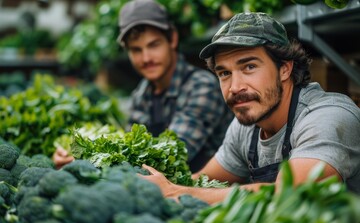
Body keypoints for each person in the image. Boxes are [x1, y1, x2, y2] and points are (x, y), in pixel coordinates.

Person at [141, 12, 360, 204]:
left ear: (284, 69)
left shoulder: (329, 116)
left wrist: (174, 191)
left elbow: (290, 193)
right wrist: (158, 184)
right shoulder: (245, 127)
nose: (235, 87)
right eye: (224, 73)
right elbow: (202, 181)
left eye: (249, 66)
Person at [53, 0, 234, 172]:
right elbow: (129, 144)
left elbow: (173, 152)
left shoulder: (201, 87)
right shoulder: (141, 94)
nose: (146, 58)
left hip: (207, 191)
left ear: (172, 39)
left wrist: (90, 158)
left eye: (153, 45)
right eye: (136, 50)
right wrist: (77, 151)